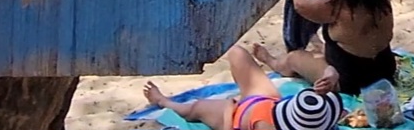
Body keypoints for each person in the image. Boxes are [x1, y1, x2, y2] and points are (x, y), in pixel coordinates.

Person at [254, 0, 397, 95]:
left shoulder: (337, 6)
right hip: (385, 70)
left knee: (294, 58)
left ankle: (271, 61)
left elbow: (300, 5)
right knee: (344, 43)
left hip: (350, 80)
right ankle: (319, 46)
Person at [142, 46, 341, 130]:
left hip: (237, 116)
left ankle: (163, 101)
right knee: (237, 53)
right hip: (268, 102)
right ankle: (272, 61)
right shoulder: (316, 120)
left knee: (195, 109)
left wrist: (230, 110)